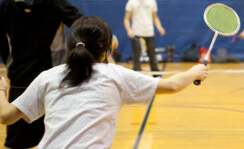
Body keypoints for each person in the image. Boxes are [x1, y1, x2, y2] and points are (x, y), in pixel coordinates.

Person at [0, 16, 207, 149]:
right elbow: (172, 85)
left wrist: (1, 89)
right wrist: (195, 70)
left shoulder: (49, 76)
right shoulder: (116, 75)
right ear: (106, 50)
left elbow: (6, 116)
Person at [0, 0, 83, 148]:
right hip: (52, 80)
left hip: (20, 80)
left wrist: (9, 63)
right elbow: (83, 24)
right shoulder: (55, 3)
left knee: (19, 141)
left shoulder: (8, 4)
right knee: (58, 139)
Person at [124, 0, 165, 72]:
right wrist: (129, 30)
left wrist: (159, 27)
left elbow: (155, 17)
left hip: (149, 33)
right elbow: (126, 19)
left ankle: (156, 76)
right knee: (137, 57)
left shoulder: (152, 1)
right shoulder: (132, 1)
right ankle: (136, 76)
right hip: (137, 33)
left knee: (152, 55)